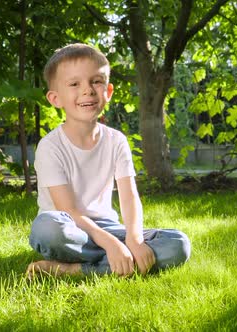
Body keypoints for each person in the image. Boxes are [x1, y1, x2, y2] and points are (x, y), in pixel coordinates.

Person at [26, 43, 190, 277]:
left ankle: (74, 269)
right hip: (70, 229)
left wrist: (133, 240)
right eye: (74, 84)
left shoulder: (116, 141)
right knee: (47, 229)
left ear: (108, 91)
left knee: (177, 243)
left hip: (109, 228)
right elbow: (68, 210)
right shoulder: (50, 146)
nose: (88, 90)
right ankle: (116, 258)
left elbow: (129, 197)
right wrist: (111, 245)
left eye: (96, 81)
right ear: (55, 98)